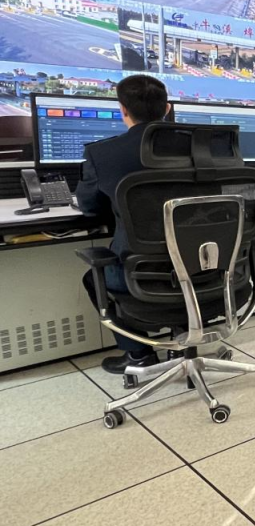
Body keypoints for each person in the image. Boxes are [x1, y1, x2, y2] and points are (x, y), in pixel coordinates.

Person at [76, 75, 171, 375]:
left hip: (140, 273)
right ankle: (183, 341)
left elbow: (90, 207)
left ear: (123, 110)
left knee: (94, 277)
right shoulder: (211, 146)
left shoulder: (102, 153)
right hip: (209, 268)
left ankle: (139, 354)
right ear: (167, 108)